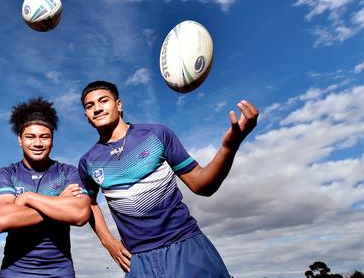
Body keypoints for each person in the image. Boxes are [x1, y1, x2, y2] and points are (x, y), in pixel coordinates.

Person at [78, 81, 258, 277]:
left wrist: (229, 148)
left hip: (185, 245)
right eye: (90, 106)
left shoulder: (156, 134)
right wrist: (108, 241)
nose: (97, 108)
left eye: (103, 101)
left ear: (119, 105)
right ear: (86, 117)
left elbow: (201, 185)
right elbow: (90, 203)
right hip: (138, 259)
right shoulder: (88, 161)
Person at [0, 97, 91, 277]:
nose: (37, 143)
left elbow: (80, 215)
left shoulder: (67, 172)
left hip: (60, 271)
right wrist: (59, 204)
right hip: (14, 271)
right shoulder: (7, 174)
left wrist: (28, 198)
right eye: (30, 137)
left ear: (52, 139)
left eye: (44, 137)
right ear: (20, 139)